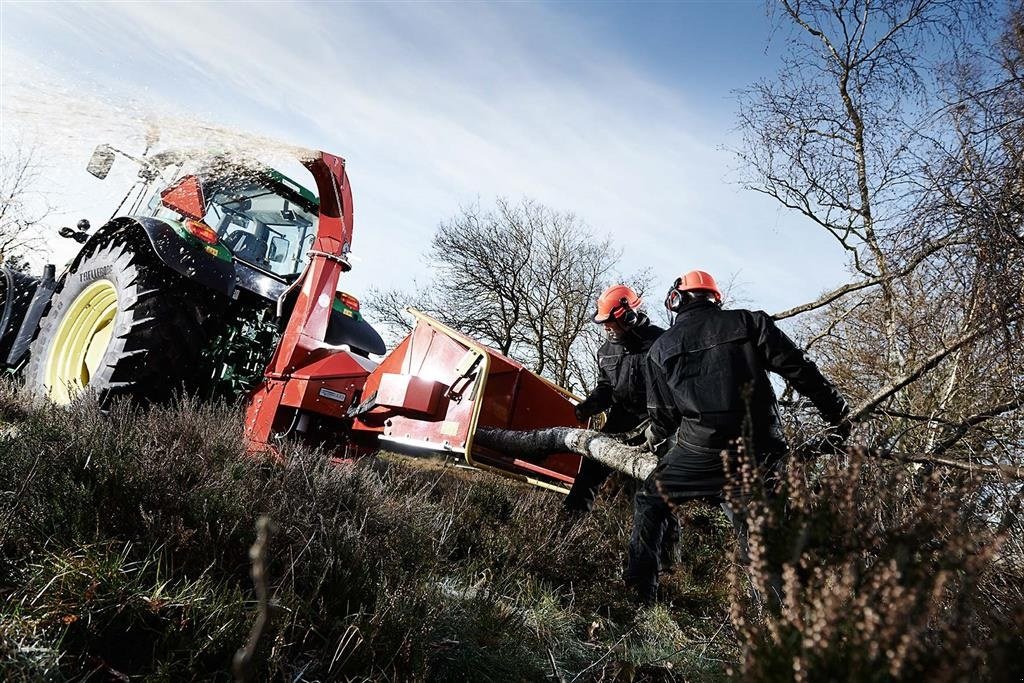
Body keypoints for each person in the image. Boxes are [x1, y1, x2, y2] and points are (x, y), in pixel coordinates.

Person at [624, 270, 851, 605]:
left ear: (677, 301)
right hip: (757, 453)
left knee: (650, 500)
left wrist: (656, 447)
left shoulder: (660, 348)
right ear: (715, 298)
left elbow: (664, 417)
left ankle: (639, 598)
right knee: (760, 536)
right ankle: (778, 620)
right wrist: (838, 418)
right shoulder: (749, 322)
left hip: (697, 452)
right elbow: (802, 371)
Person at [565, 284, 665, 513]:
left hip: (657, 420)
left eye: (611, 323)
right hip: (623, 418)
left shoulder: (661, 342)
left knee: (652, 482)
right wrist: (590, 405)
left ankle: (659, 540)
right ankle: (570, 522)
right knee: (591, 466)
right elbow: (606, 387)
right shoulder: (606, 351)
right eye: (604, 325)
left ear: (629, 317)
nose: (608, 330)